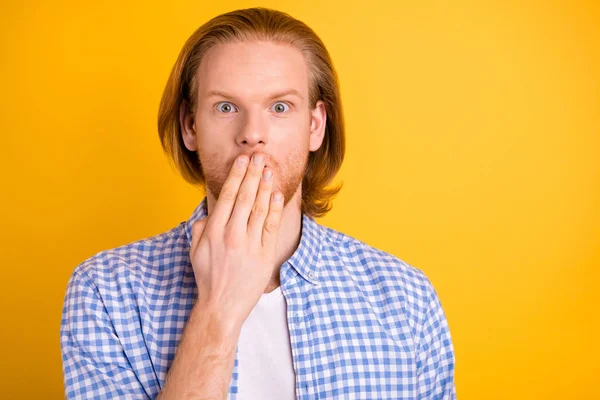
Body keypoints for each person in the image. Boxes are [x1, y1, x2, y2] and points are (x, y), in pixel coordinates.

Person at [60, 7, 456, 400]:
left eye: (279, 107)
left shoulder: (408, 301)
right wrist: (218, 309)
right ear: (190, 126)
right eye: (226, 107)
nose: (252, 134)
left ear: (315, 126)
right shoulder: (106, 293)